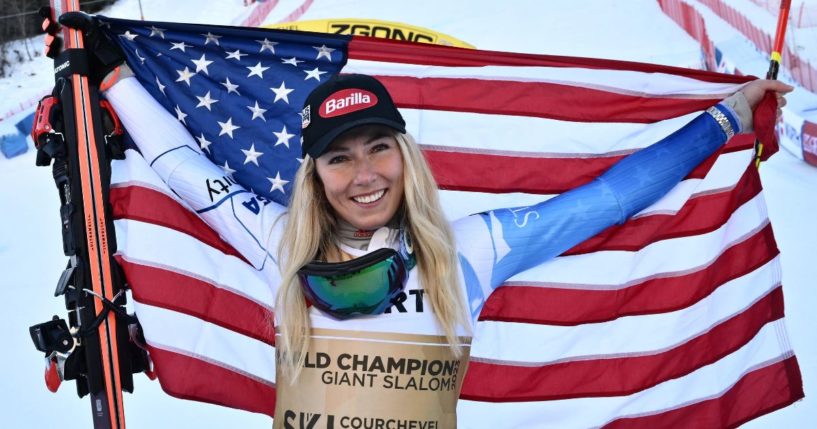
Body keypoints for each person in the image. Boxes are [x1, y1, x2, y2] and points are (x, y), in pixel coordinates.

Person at [105, 60, 791, 426]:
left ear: (406, 156)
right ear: (313, 173)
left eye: (379, 149)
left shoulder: (472, 249)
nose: (365, 175)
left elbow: (609, 200)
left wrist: (724, 117)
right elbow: (184, 171)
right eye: (339, 158)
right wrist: (111, 75)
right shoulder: (282, 241)